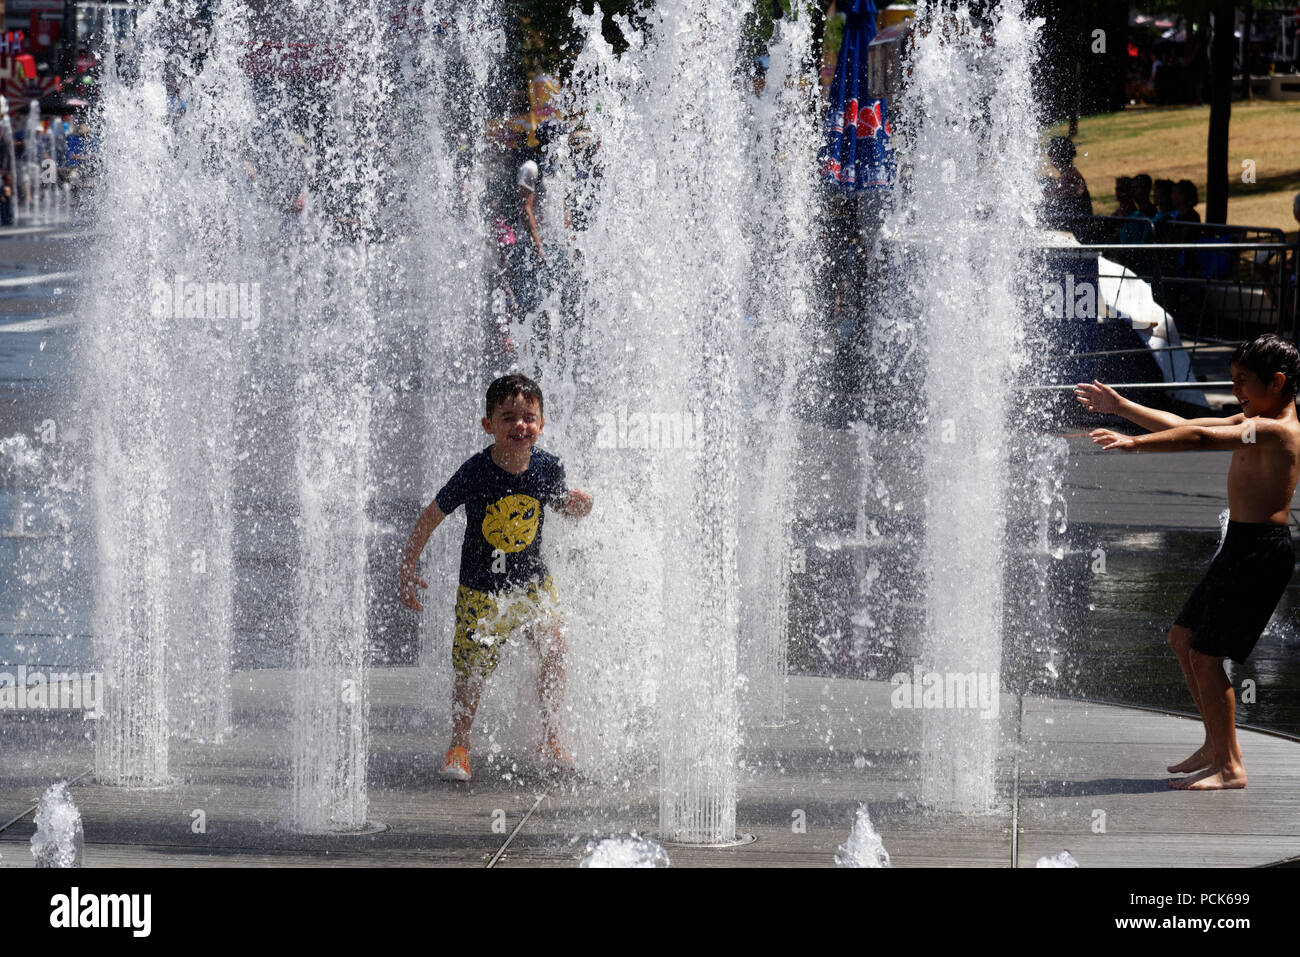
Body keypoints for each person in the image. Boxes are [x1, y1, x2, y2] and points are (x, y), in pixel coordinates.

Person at [1076, 334, 1300, 790]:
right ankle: (1215, 744)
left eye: (1243, 382)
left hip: (1262, 552)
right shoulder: (1256, 417)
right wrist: (1121, 407)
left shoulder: (1278, 430)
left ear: (1276, 383)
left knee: (1206, 655)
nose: (1236, 392)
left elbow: (1198, 438)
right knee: (1184, 639)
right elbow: (1184, 420)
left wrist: (1133, 445)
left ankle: (1231, 765)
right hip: (1241, 546)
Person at [398, 374, 593, 782]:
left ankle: (552, 736)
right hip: (481, 593)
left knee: (555, 649)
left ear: (541, 424)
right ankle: (460, 745)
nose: (520, 426)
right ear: (488, 425)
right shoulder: (475, 472)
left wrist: (579, 507)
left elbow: (561, 508)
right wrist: (408, 566)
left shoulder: (547, 467)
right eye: (508, 417)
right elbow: (431, 516)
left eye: (529, 417)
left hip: (532, 587)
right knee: (471, 673)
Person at [1041, 136, 1091, 229]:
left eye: (1051, 153)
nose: (1049, 156)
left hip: (1075, 229)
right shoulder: (1070, 174)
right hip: (1073, 224)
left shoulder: (1070, 177)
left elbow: (1052, 199)